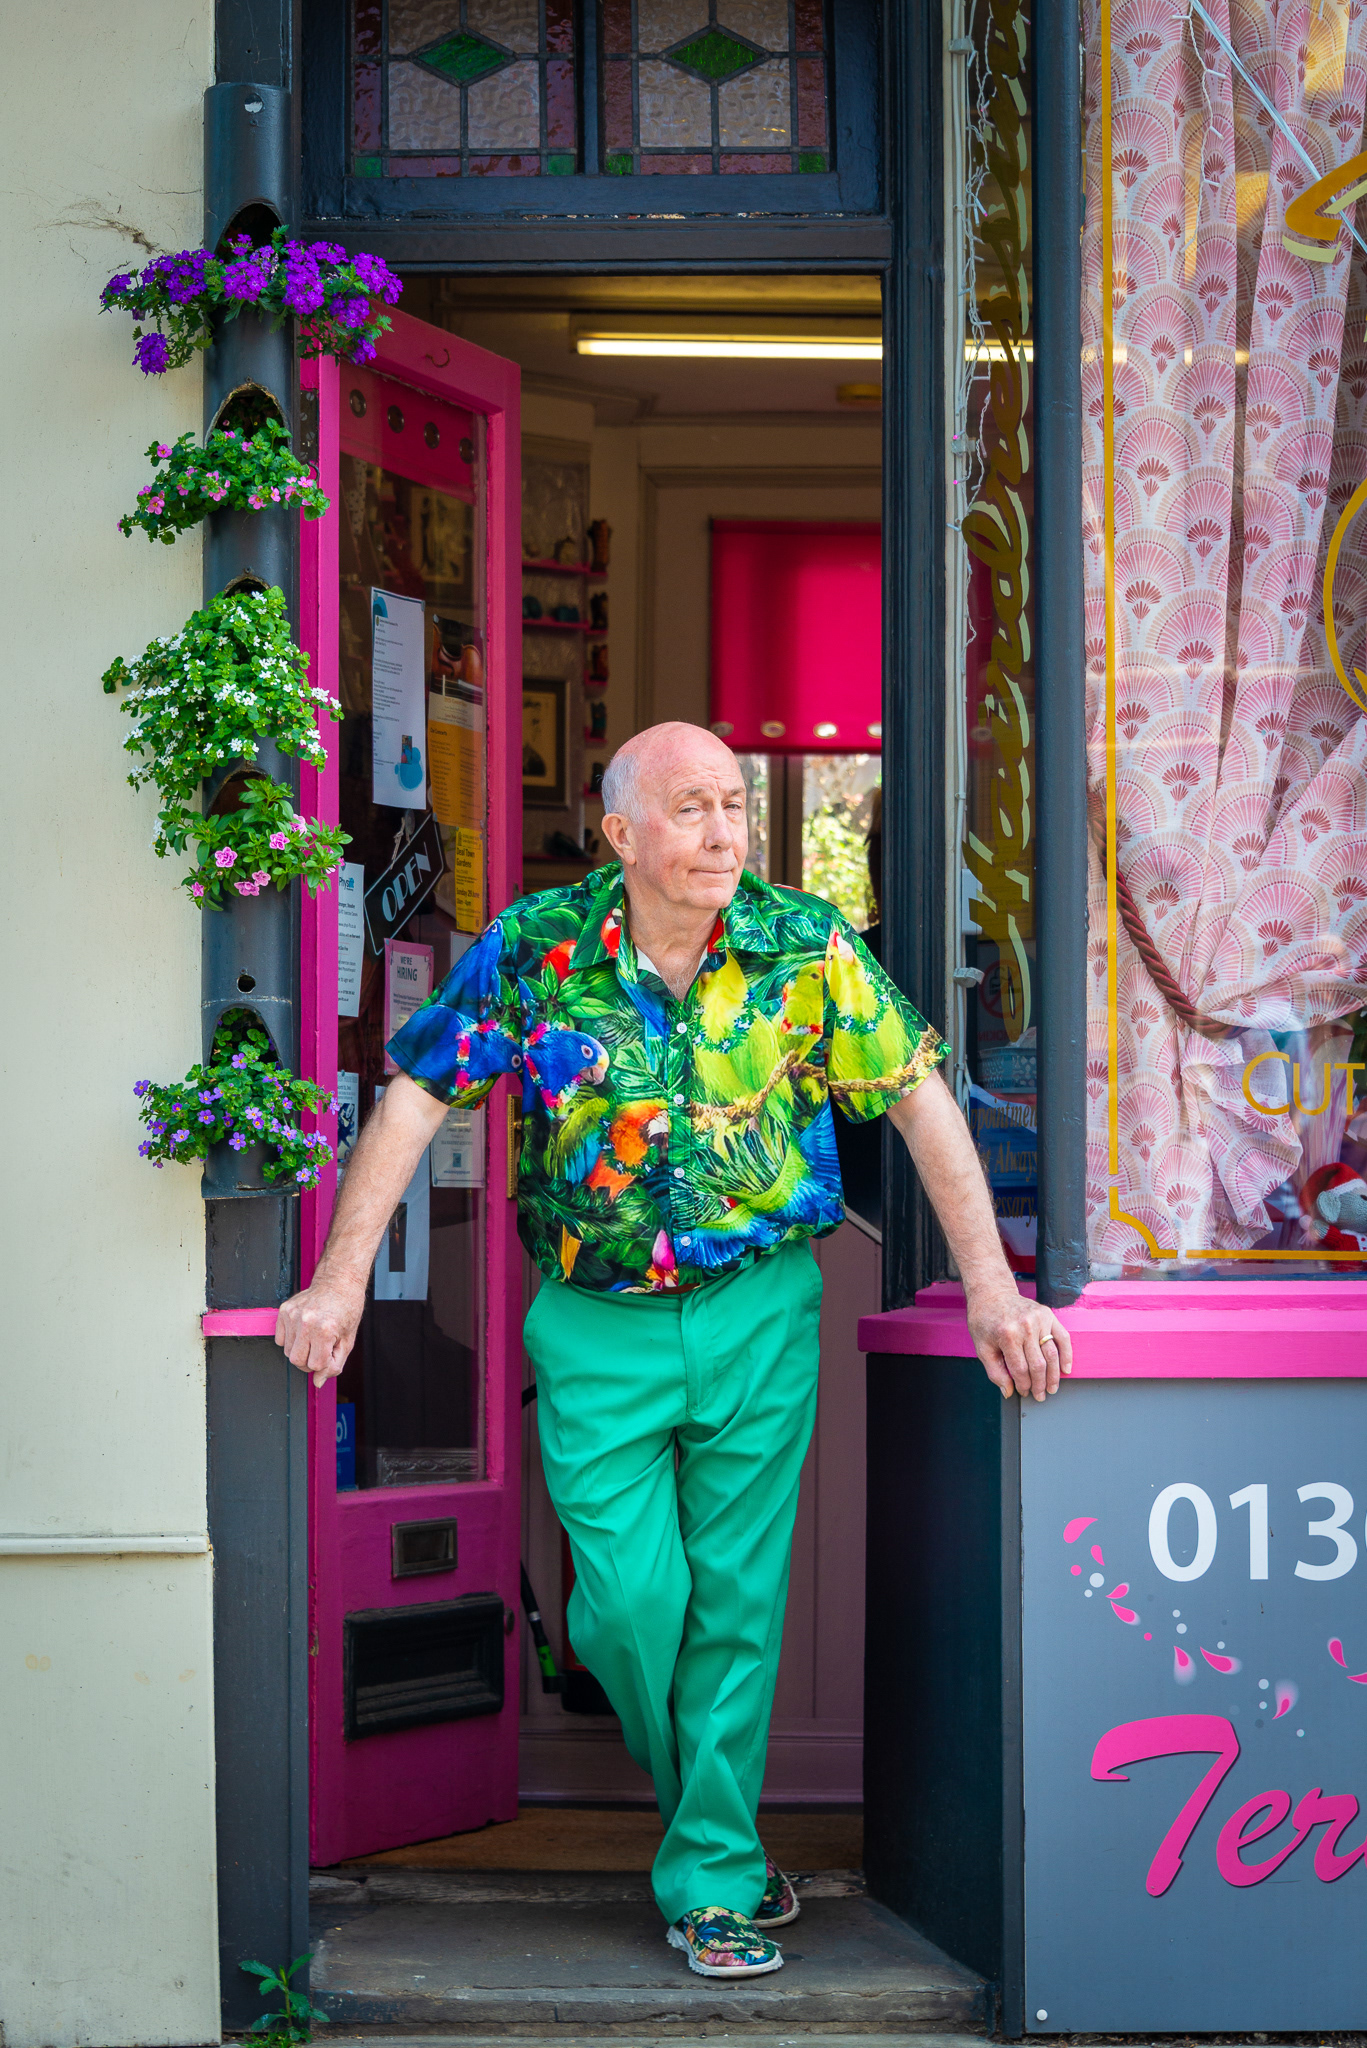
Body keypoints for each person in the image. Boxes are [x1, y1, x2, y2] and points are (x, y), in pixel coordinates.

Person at [275, 721, 1071, 1980]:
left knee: (736, 1607)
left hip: (759, 1309)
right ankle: (711, 1817)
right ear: (621, 832)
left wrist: (993, 1290)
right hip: (594, 1325)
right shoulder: (535, 949)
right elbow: (415, 1100)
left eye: (735, 806)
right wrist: (336, 1279)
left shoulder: (804, 947)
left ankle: (712, 1873)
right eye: (691, 808)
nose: (721, 834)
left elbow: (921, 1093)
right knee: (634, 1604)